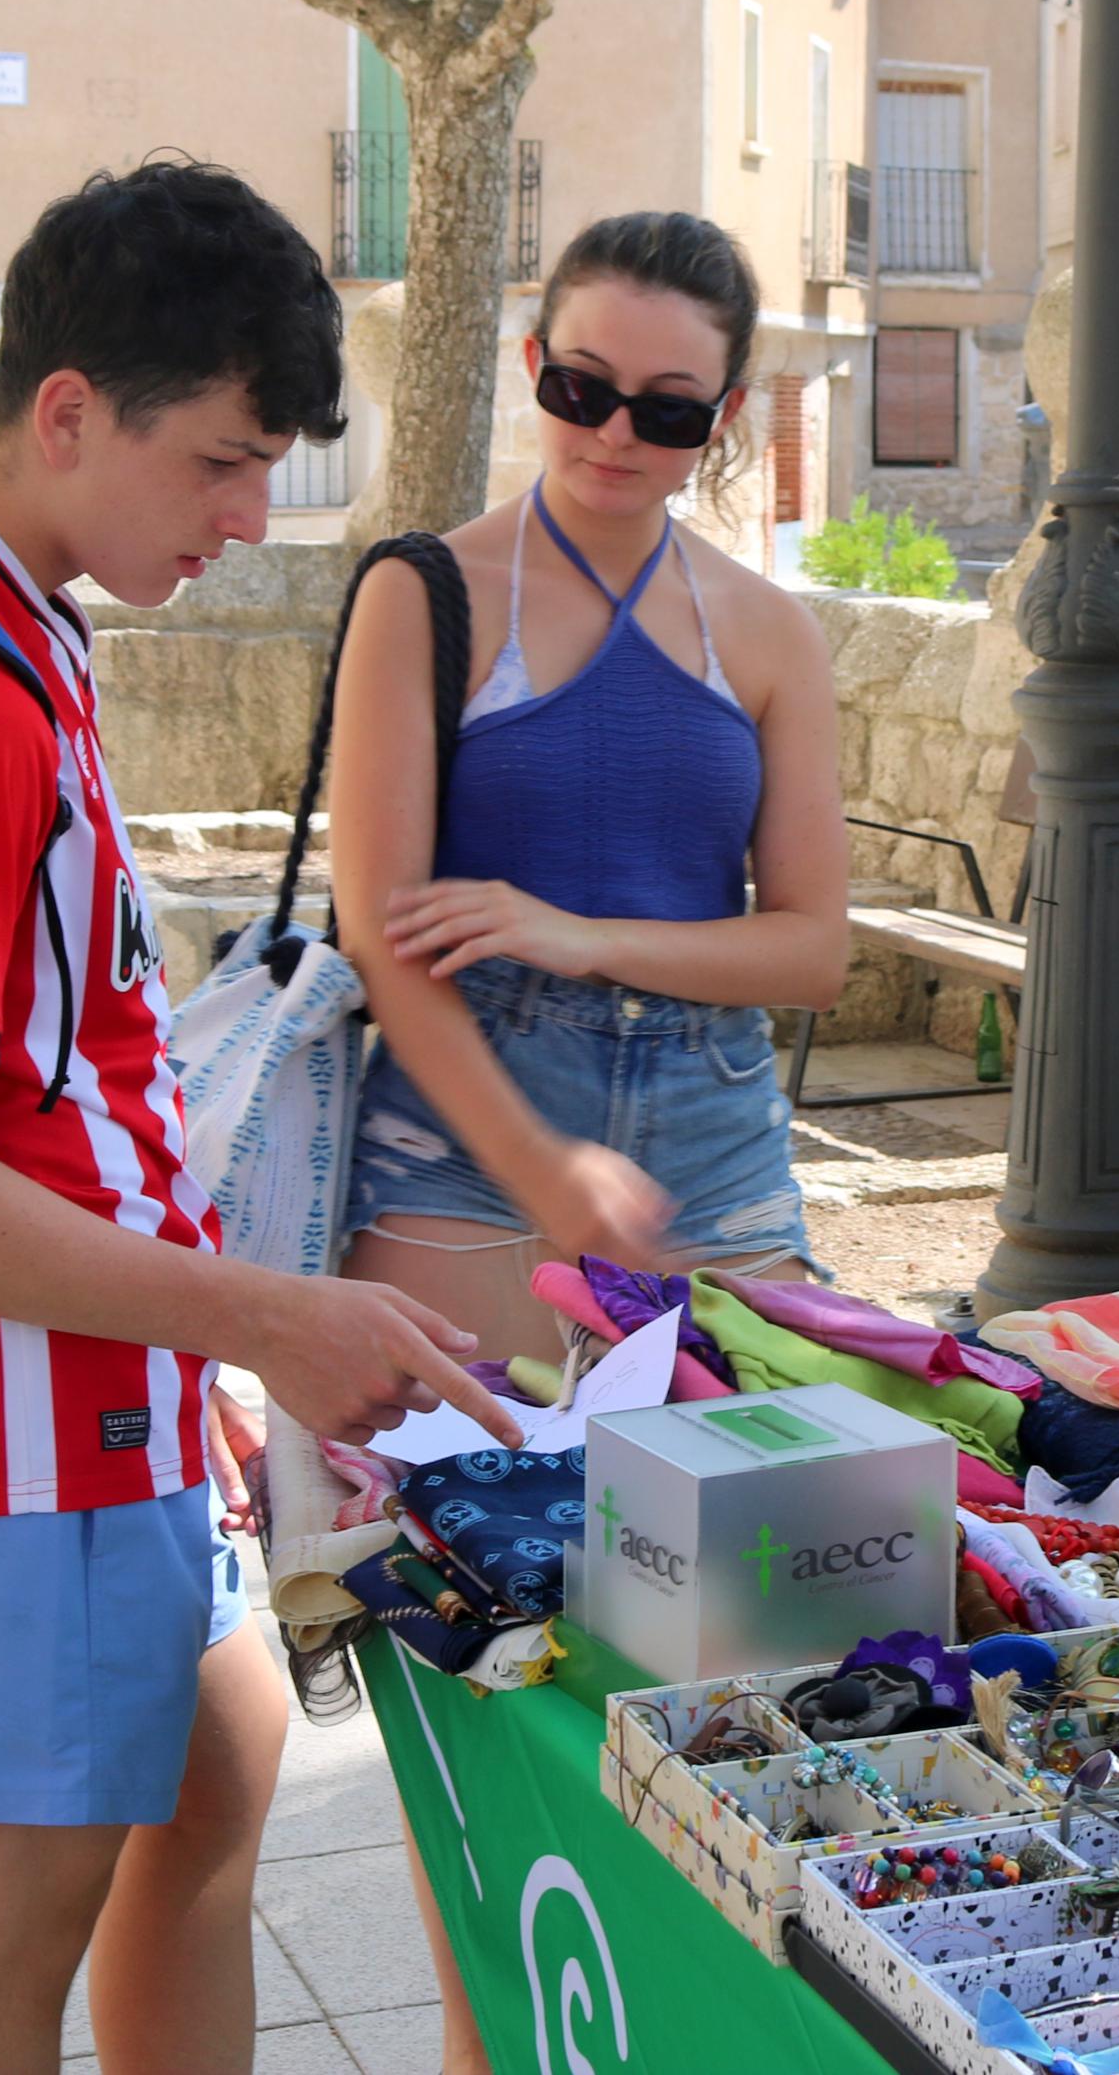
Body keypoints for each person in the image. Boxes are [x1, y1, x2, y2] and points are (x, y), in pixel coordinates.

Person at [0, 160, 515, 2075]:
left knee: (210, 1787)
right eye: (225, 462)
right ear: (68, 409)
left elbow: (53, 1077)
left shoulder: (3, 612)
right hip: (8, 1423)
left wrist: (206, 1369)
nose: (252, 522)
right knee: (5, 1933)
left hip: (103, 1391)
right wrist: (266, 1320)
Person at [324, 207, 851, 1370]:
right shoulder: (423, 594)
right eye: (580, 388)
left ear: (720, 419)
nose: (613, 433)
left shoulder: (768, 633)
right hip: (467, 1123)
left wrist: (578, 934)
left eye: (664, 410)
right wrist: (544, 1170)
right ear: (531, 368)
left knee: (750, 1533)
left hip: (713, 1132)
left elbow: (813, 951)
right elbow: (379, 931)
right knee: (439, 1523)